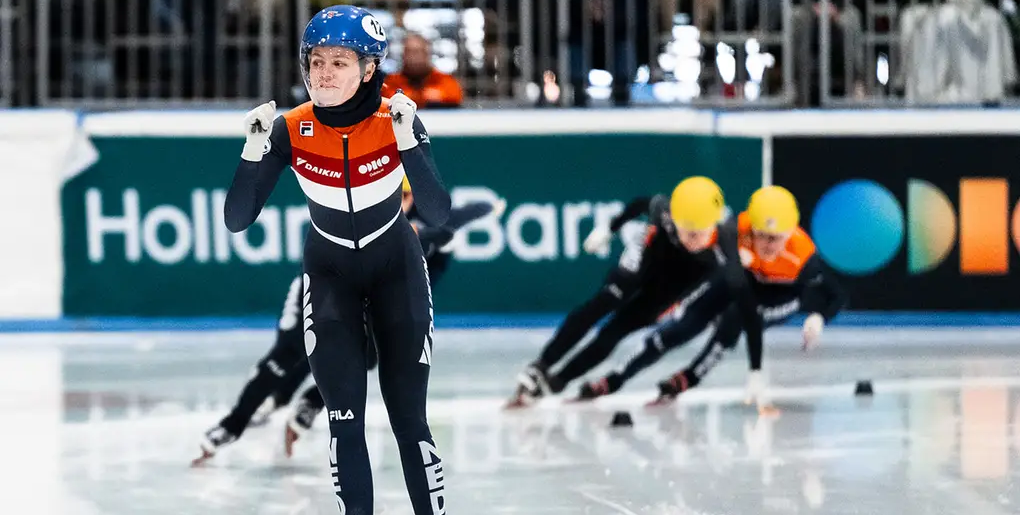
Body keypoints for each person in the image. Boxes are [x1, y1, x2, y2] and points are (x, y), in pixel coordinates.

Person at [222, 5, 459, 515]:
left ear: (368, 67)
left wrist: (412, 145)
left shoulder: (394, 116)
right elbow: (237, 219)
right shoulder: (292, 128)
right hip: (327, 280)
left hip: (396, 274)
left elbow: (436, 215)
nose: (323, 74)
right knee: (344, 418)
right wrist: (252, 153)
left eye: (338, 62)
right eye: (316, 62)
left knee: (410, 418)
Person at [508, 177, 764, 406]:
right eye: (684, 230)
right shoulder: (665, 211)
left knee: (617, 329)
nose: (689, 240)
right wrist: (610, 228)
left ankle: (558, 381)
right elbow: (642, 204)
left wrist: (755, 369)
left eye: (697, 234)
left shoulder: (729, 247)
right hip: (648, 258)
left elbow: (749, 312)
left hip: (673, 285)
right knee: (607, 299)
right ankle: (541, 365)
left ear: (713, 225)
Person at [286, 187, 505, 452]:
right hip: (373, 290)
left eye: (406, 197)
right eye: (395, 196)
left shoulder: (428, 218)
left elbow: (463, 215)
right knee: (350, 350)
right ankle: (305, 399)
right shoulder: (371, 216)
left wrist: (490, 208)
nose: (400, 202)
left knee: (373, 358)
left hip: (406, 293)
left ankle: (312, 400)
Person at [580, 187, 843, 405]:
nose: (767, 246)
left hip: (780, 297)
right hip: (745, 282)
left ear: (790, 232)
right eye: (761, 236)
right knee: (683, 325)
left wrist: (819, 317)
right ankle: (615, 378)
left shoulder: (804, 258)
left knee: (735, 318)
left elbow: (838, 295)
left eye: (776, 238)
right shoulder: (736, 230)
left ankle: (692, 375)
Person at [193, 276, 314, 464]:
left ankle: (311, 401)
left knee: (366, 354)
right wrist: (234, 424)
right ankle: (238, 420)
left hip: (362, 285)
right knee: (290, 351)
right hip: (317, 283)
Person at [382, 32, 464, 107]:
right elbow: (385, 99)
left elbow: (456, 96)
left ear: (427, 53)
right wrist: (421, 97)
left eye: (418, 51)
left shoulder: (444, 79)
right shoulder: (391, 81)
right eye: (409, 52)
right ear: (403, 54)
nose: (413, 57)